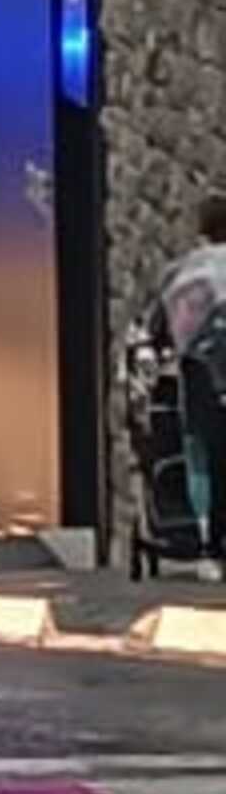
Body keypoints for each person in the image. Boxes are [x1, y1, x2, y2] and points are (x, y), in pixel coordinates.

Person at [157, 197, 226, 551]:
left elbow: (158, 329)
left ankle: (207, 537)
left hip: (200, 376)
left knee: (202, 454)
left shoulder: (181, 272)